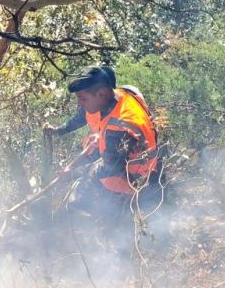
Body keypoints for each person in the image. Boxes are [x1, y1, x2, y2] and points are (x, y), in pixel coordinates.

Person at [50, 66, 160, 217]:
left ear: (101, 93)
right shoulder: (122, 93)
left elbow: (107, 167)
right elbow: (84, 114)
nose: (80, 104)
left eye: (83, 98)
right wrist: (61, 130)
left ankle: (93, 213)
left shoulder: (120, 128)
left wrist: (72, 174)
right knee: (90, 152)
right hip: (119, 154)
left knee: (91, 196)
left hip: (135, 177)